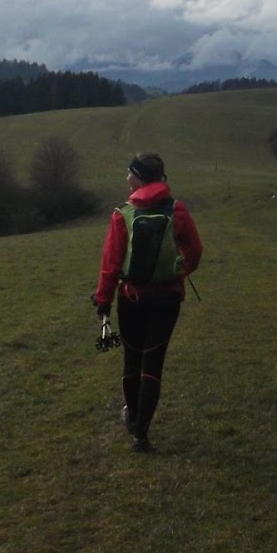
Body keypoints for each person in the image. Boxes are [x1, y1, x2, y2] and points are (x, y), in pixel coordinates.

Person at [93, 152, 203, 452]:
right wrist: (179, 272)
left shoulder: (123, 214)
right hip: (167, 299)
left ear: (138, 177)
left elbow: (110, 265)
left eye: (129, 173)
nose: (126, 178)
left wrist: (103, 301)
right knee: (153, 361)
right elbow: (195, 251)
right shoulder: (177, 210)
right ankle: (141, 433)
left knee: (132, 359)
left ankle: (131, 417)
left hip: (131, 298)